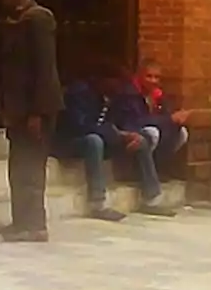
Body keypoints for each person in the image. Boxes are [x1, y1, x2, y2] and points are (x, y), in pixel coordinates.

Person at [0, 0, 63, 243]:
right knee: (18, 165)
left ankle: (34, 224)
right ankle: (21, 221)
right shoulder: (15, 20)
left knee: (31, 166)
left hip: (35, 108)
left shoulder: (38, 19)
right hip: (18, 108)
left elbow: (44, 69)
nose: (0, 0)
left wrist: (37, 112)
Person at [56, 65, 178, 221]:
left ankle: (151, 198)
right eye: (117, 83)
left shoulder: (111, 96)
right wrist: (116, 133)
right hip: (71, 141)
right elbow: (80, 126)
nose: (120, 87)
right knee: (94, 141)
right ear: (105, 80)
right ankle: (97, 203)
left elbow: (123, 122)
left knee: (140, 140)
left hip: (105, 137)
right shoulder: (78, 93)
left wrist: (130, 135)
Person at [131, 58, 192, 172]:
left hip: (156, 135)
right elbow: (138, 121)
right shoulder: (131, 93)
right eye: (149, 76)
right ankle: (142, 170)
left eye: (157, 77)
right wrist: (169, 119)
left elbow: (166, 116)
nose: (153, 81)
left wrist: (178, 118)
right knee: (153, 132)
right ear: (140, 76)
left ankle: (162, 168)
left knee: (182, 132)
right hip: (131, 133)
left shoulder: (158, 95)